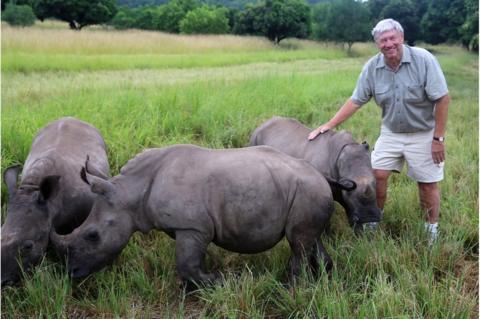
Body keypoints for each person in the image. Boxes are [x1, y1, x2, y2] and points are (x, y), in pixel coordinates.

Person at [308, 18, 450, 244]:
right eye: (383, 40)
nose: (389, 43)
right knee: (376, 176)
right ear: (377, 44)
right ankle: (375, 220)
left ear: (401, 38)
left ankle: (430, 231)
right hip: (391, 133)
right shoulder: (373, 68)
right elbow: (356, 100)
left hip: (423, 133)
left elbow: (443, 99)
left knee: (427, 183)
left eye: (393, 38)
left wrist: (438, 139)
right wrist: (329, 125)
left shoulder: (424, 60)